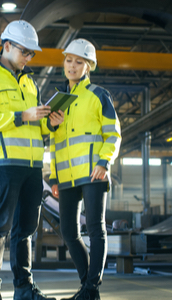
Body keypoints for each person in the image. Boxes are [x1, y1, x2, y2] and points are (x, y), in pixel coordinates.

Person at [0, 20, 64, 300]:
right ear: (7, 46)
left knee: (26, 231)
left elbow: (38, 126)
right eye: (25, 52)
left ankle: (23, 289)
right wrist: (22, 116)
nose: (29, 58)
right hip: (5, 166)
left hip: (33, 168)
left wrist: (51, 123)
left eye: (32, 54)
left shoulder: (30, 82)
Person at [49, 39, 122, 300]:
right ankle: (87, 287)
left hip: (93, 173)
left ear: (88, 66)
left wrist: (104, 162)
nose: (72, 66)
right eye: (68, 60)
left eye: (79, 62)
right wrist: (54, 176)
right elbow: (55, 142)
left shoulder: (98, 95)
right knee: (69, 231)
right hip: (67, 177)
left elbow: (113, 133)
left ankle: (91, 288)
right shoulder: (58, 101)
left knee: (95, 228)